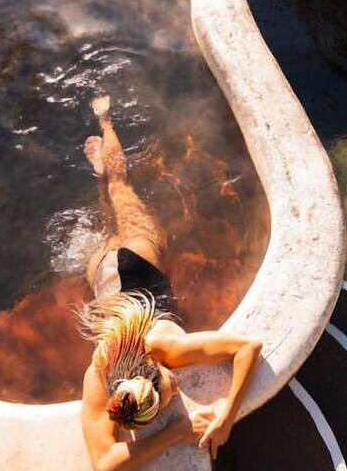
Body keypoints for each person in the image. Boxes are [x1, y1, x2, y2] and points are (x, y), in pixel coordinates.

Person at [78, 96, 262, 471]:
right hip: (101, 276)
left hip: (135, 258)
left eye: (165, 387)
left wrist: (226, 417)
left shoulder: (163, 348)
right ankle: (103, 158)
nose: (174, 390)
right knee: (115, 198)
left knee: (119, 187)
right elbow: (105, 466)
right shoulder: (100, 370)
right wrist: (176, 431)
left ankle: (106, 120)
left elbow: (248, 348)